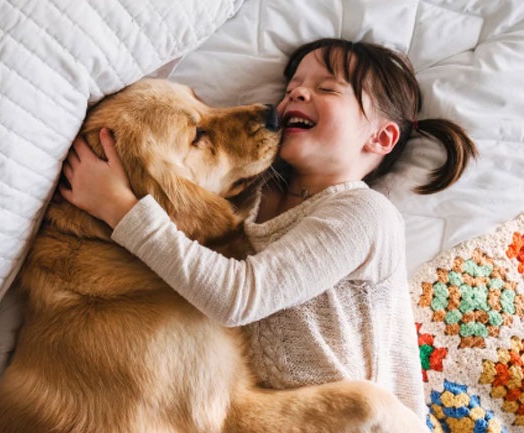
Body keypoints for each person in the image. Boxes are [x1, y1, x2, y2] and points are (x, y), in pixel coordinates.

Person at [59, 38, 477, 420]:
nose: (296, 92)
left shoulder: (362, 213)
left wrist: (120, 208)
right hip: (281, 417)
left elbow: (237, 296)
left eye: (327, 88)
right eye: (293, 85)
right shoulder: (253, 203)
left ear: (381, 138)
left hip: (371, 422)